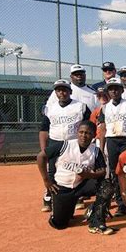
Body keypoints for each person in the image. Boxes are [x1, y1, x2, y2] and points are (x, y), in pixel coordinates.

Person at [36, 121, 115, 235]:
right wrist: (46, 180)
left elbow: (102, 171)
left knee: (107, 185)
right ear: (77, 133)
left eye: (88, 133)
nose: (84, 135)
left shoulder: (95, 151)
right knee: (60, 224)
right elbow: (41, 157)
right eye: (81, 132)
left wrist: (90, 176)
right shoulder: (65, 145)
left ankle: (96, 220)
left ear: (93, 135)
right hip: (62, 187)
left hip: (81, 186)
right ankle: (65, 209)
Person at [39, 79, 91, 212]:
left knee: (75, 169)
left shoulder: (81, 106)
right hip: (55, 141)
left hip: (74, 142)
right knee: (53, 171)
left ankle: (77, 196)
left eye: (64, 90)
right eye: (58, 90)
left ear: (70, 91)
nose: (61, 92)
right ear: (55, 92)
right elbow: (44, 129)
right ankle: (50, 196)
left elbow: (88, 126)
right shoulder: (49, 108)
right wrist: (44, 147)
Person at [98, 78, 126, 217]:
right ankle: (122, 204)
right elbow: (103, 129)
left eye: (117, 88)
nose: (114, 91)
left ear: (122, 90)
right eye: (111, 89)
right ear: (108, 92)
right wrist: (102, 147)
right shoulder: (105, 108)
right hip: (111, 141)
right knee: (116, 173)